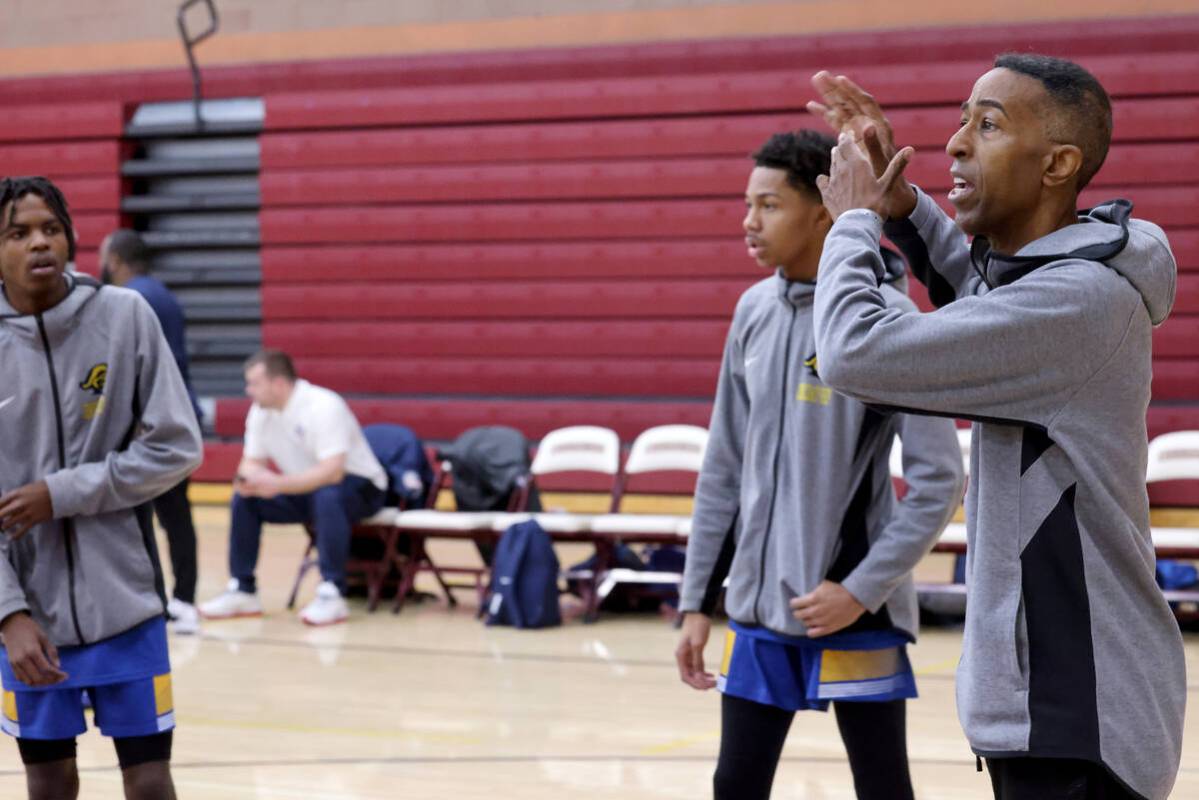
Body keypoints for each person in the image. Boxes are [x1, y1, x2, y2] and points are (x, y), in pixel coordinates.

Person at [807, 54, 1184, 800]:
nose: (953, 143)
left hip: (1078, 721)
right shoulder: (1063, 282)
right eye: (959, 120)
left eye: (986, 125)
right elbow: (975, 294)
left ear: (1058, 164)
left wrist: (851, 220)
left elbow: (853, 354)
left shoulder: (1075, 303)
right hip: (1059, 715)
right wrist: (901, 205)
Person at [674, 131, 964, 800]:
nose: (749, 222)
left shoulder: (889, 321)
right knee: (735, 784)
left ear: (825, 212)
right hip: (757, 609)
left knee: (882, 787)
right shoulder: (751, 311)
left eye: (768, 205)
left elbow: (939, 481)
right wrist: (695, 601)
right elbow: (722, 468)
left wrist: (860, 589)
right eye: (747, 205)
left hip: (846, 612)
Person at [0, 176, 203, 799]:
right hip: (29, 619)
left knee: (148, 782)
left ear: (73, 238)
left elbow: (177, 446)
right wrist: (8, 614)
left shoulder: (124, 317)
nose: (40, 243)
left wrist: (62, 492)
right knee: (50, 782)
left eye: (51, 229)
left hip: (129, 609)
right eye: (18, 233)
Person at [199, 349, 388, 626]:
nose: (248, 390)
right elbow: (250, 463)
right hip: (305, 487)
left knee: (328, 495)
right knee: (246, 499)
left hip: (361, 487)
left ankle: (332, 592)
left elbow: (333, 472)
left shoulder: (323, 405)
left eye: (254, 383)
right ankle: (243, 588)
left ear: (278, 383)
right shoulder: (261, 412)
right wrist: (251, 481)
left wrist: (277, 483)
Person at [99, 229, 203, 635]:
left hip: (152, 423)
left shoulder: (130, 300)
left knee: (144, 517)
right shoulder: (162, 294)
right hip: (175, 415)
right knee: (176, 516)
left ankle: (160, 603)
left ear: (116, 261)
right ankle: (182, 599)